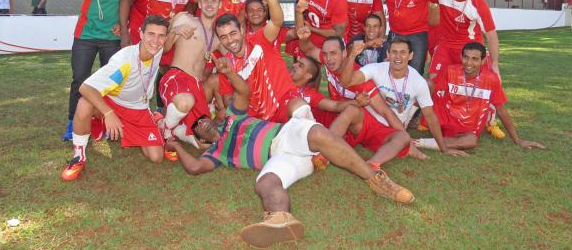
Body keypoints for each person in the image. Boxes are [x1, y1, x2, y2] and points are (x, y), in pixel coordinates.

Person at [166, 55, 414, 248]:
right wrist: (176, 144)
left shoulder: (232, 116)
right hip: (280, 158)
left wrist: (229, 72)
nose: (202, 123)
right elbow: (195, 167)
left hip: (285, 135)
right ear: (199, 139)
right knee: (265, 182)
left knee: (311, 127)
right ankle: (280, 218)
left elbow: (243, 92)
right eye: (197, 127)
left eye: (203, 119)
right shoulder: (216, 153)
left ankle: (375, 179)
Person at [61, 15, 170, 181]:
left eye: (161, 35)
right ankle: (78, 156)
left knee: (156, 157)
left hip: (138, 108)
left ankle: (138, 124)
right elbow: (85, 87)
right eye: (151, 34)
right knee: (84, 103)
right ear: (141, 34)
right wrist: (109, 113)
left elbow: (173, 32)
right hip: (113, 103)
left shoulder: (158, 49)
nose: (156, 40)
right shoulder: (124, 61)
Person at [62, 0, 141, 141]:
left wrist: (125, 26)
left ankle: (106, 123)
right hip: (86, 35)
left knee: (111, 84)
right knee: (80, 79)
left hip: (113, 39)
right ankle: (73, 123)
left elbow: (137, 7)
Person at [339, 37, 467, 159]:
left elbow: (430, 117)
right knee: (351, 110)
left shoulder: (418, 81)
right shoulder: (376, 69)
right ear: (388, 54)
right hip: (368, 122)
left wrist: (443, 148)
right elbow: (346, 82)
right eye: (394, 52)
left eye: (403, 52)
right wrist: (352, 56)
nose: (398, 56)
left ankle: (372, 163)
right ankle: (327, 147)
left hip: (392, 130)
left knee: (399, 139)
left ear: (410, 55)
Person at [297, 31, 412, 167]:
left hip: (358, 125)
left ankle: (370, 164)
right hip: (337, 118)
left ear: (344, 53)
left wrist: (410, 143)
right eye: (325, 54)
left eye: (333, 53)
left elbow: (385, 111)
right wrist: (304, 39)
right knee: (306, 105)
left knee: (402, 137)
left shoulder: (360, 79)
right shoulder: (330, 61)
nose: (328, 59)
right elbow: (308, 49)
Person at [416, 42, 546, 152]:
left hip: (467, 128)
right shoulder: (450, 70)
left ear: (483, 60)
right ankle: (403, 122)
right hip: (445, 118)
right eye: (466, 57)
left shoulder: (491, 79)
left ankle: (419, 142)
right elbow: (431, 90)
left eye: (475, 59)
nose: (469, 63)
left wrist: (517, 139)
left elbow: (501, 110)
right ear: (461, 57)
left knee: (471, 141)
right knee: (427, 83)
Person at [426, 0, 507, 138]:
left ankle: (491, 122)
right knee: (433, 80)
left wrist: (494, 64)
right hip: (446, 46)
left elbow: (492, 35)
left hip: (470, 48)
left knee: (487, 83)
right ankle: (430, 119)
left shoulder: (478, 3)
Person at [215, 0, 294, 120]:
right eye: (223, 37)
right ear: (220, 41)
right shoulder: (226, 65)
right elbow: (228, 100)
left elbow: (276, 22)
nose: (230, 40)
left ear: (241, 30)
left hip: (284, 104)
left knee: (301, 110)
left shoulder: (258, 39)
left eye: (233, 33)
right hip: (257, 119)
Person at [157, 0, 223, 146]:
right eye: (205, 0)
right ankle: (165, 130)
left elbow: (237, 51)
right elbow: (164, 48)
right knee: (185, 103)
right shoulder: (185, 20)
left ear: (220, 5)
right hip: (176, 77)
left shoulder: (217, 38)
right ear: (199, 4)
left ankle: (171, 126)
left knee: (205, 142)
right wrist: (173, 32)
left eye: (214, 1)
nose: (209, 4)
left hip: (197, 86)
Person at [370, 0, 433, 74]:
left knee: (415, 72)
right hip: (395, 33)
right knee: (391, 71)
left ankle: (412, 93)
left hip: (418, 35)